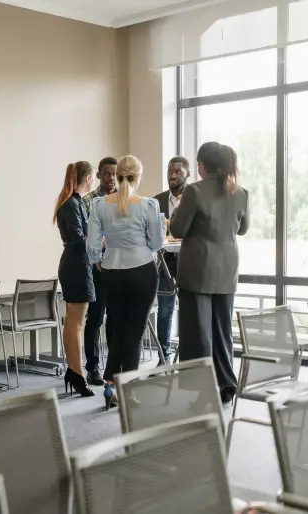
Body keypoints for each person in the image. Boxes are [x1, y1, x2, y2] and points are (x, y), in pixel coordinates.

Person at [170, 142, 250, 405]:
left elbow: (178, 231)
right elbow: (243, 229)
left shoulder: (194, 191)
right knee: (222, 330)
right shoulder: (240, 193)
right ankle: (227, 384)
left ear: (202, 165)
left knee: (199, 333)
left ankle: (204, 391)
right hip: (227, 270)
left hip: (197, 271)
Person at [87, 155, 163, 410]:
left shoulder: (99, 205)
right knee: (135, 331)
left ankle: (110, 384)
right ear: (138, 177)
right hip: (143, 271)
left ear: (117, 175)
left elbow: (92, 245)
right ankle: (127, 388)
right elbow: (156, 243)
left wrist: (99, 259)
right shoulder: (148, 206)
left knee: (116, 328)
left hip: (112, 272)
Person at [54, 161, 96, 397]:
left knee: (72, 322)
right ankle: (77, 373)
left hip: (74, 263)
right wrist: (99, 242)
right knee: (76, 323)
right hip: (77, 264)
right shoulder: (72, 204)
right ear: (88, 178)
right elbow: (81, 240)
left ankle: (74, 371)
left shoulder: (71, 202)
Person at [80, 157, 117, 386]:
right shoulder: (88, 201)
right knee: (95, 318)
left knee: (114, 319)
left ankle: (113, 367)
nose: (111, 178)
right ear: (99, 176)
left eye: (114, 173)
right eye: (106, 173)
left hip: (119, 267)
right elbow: (87, 236)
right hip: (96, 267)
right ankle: (92, 367)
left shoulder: (123, 200)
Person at [153, 156, 190, 363]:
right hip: (165, 262)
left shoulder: (194, 198)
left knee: (188, 310)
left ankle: (186, 355)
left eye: (178, 172)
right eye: (170, 172)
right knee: (165, 310)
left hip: (188, 262)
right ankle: (163, 354)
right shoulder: (156, 200)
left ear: (188, 174)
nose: (173, 175)